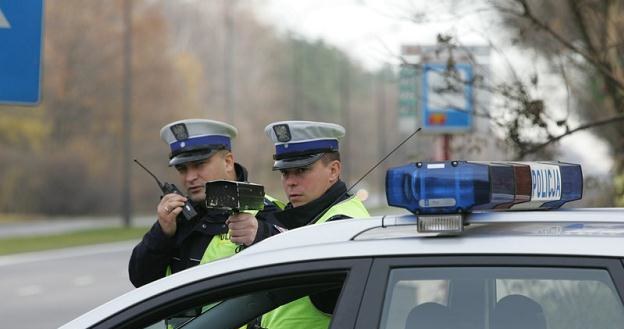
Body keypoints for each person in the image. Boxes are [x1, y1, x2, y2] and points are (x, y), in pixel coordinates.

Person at [129, 119, 283, 288]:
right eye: (182, 169)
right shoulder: (178, 216)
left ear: (228, 162)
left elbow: (290, 273)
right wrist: (162, 233)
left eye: (199, 165)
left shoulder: (264, 211)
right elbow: (140, 279)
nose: (190, 177)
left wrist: (261, 235)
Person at [259, 120, 370, 329]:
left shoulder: (343, 222)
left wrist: (262, 237)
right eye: (285, 172)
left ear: (333, 171)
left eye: (301, 171)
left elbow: (307, 271)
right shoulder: (310, 217)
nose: (290, 181)